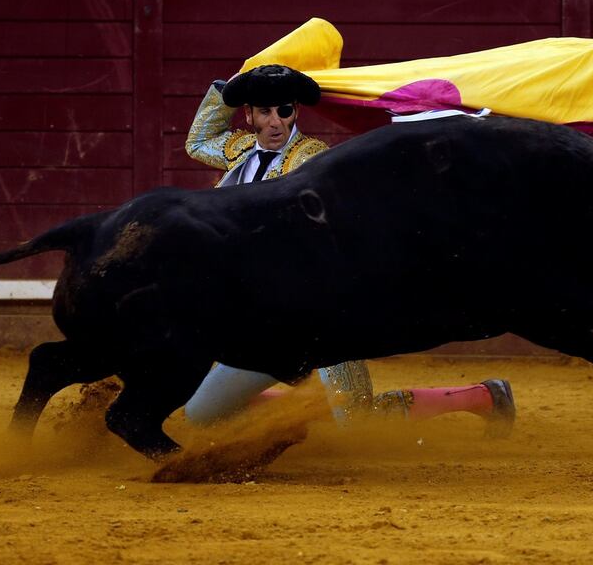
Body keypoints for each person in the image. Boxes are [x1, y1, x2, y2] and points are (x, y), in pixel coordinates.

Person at [182, 64, 515, 435]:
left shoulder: (314, 160)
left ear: (296, 112)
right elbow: (197, 140)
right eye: (265, 111)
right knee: (201, 414)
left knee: (356, 417)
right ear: (249, 116)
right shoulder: (239, 151)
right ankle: (310, 407)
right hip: (265, 326)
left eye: (285, 111)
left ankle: (484, 396)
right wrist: (232, 85)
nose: (276, 122)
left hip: (322, 319)